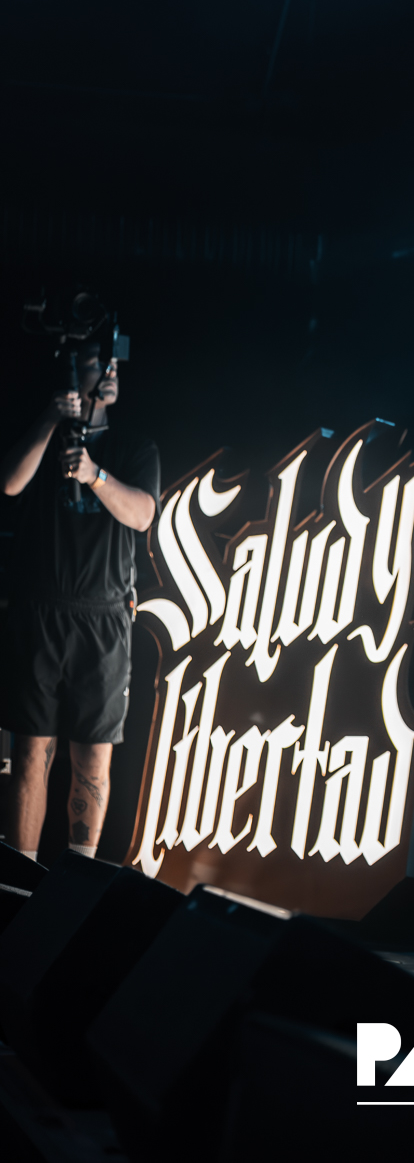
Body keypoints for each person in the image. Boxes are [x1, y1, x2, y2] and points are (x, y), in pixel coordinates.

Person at [0, 341, 159, 862]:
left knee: (93, 758)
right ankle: (19, 881)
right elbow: (9, 484)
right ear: (71, 369)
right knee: (31, 753)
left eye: (114, 363)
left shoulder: (135, 446)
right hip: (39, 612)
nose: (109, 372)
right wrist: (53, 417)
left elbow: (142, 515)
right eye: (96, 362)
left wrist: (94, 475)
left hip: (105, 616)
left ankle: (77, 878)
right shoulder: (41, 434)